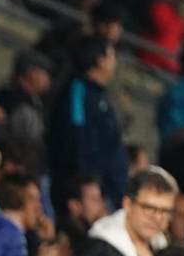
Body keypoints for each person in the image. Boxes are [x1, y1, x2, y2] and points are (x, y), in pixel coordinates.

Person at [49, 37, 128, 206]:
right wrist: (88, 186)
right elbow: (76, 139)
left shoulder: (99, 96)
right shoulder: (78, 91)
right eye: (112, 56)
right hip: (89, 194)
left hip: (107, 191)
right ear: (101, 62)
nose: (115, 63)